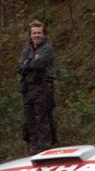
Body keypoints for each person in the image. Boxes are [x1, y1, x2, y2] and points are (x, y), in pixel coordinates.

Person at [17, 20, 58, 152]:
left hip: (43, 87)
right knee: (28, 120)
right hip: (28, 89)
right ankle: (34, 148)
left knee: (42, 118)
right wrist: (30, 62)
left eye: (39, 33)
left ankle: (45, 148)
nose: (37, 35)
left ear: (44, 34)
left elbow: (38, 64)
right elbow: (19, 67)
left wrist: (28, 63)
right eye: (34, 33)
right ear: (30, 35)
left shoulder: (47, 49)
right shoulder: (27, 50)